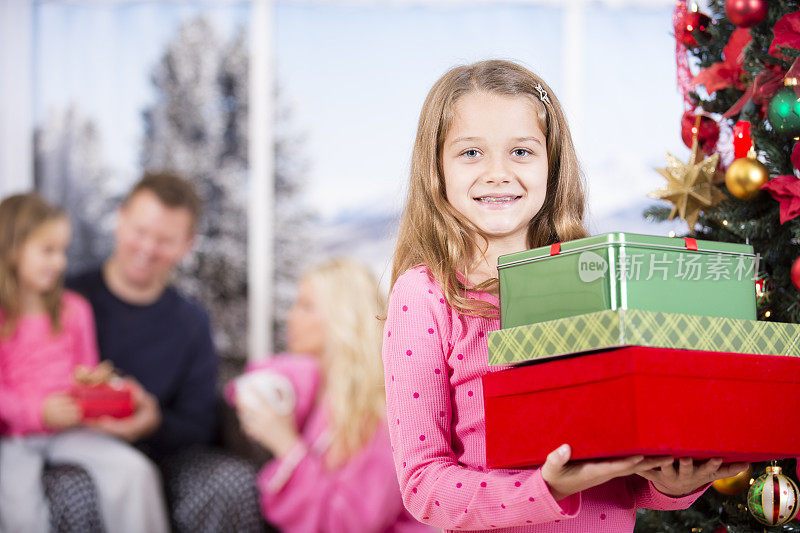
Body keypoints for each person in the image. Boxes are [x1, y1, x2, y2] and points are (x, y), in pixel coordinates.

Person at [381, 59, 750, 532]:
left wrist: (674, 485)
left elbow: (627, 470)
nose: (498, 173)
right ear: (437, 167)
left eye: (521, 151)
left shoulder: (595, 277)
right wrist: (545, 489)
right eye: (471, 153)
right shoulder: (426, 293)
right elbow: (422, 483)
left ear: (552, 163)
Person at [60, 171, 264, 532]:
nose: (147, 249)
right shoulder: (68, 300)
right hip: (74, 451)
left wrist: (153, 422)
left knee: (230, 480)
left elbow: (199, 424)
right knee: (69, 490)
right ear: (120, 219)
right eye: (140, 231)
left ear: (188, 243)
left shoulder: (191, 322)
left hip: (166, 458)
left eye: (166, 240)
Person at [0, 193, 170, 533]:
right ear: (13, 249)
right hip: (15, 438)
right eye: (48, 251)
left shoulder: (74, 309)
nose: (60, 263)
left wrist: (104, 393)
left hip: (73, 432)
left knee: (135, 472)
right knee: (19, 513)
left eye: (62, 251)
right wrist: (37, 413)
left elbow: (87, 372)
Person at [233, 258, 432, 532]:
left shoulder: (381, 409)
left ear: (342, 317)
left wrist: (286, 444)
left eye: (306, 307)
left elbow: (353, 522)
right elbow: (249, 381)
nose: (290, 317)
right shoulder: (322, 385)